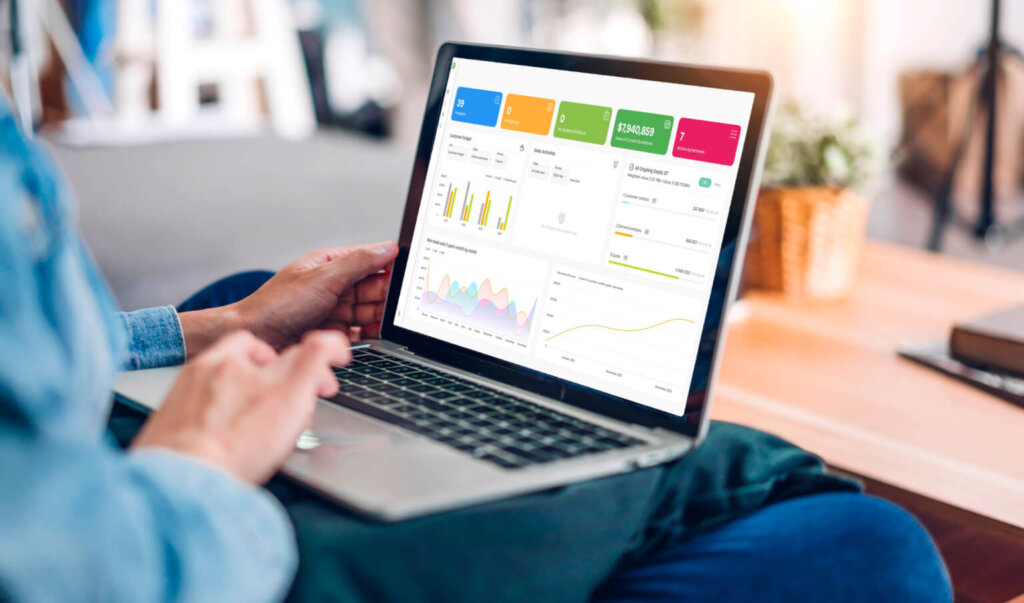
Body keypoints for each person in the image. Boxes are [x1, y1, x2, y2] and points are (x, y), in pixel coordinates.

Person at [0, 99, 952, 602]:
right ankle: (662, 475)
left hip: (96, 491)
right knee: (868, 545)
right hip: (161, 549)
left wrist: (218, 328)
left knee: (247, 304)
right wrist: (201, 463)